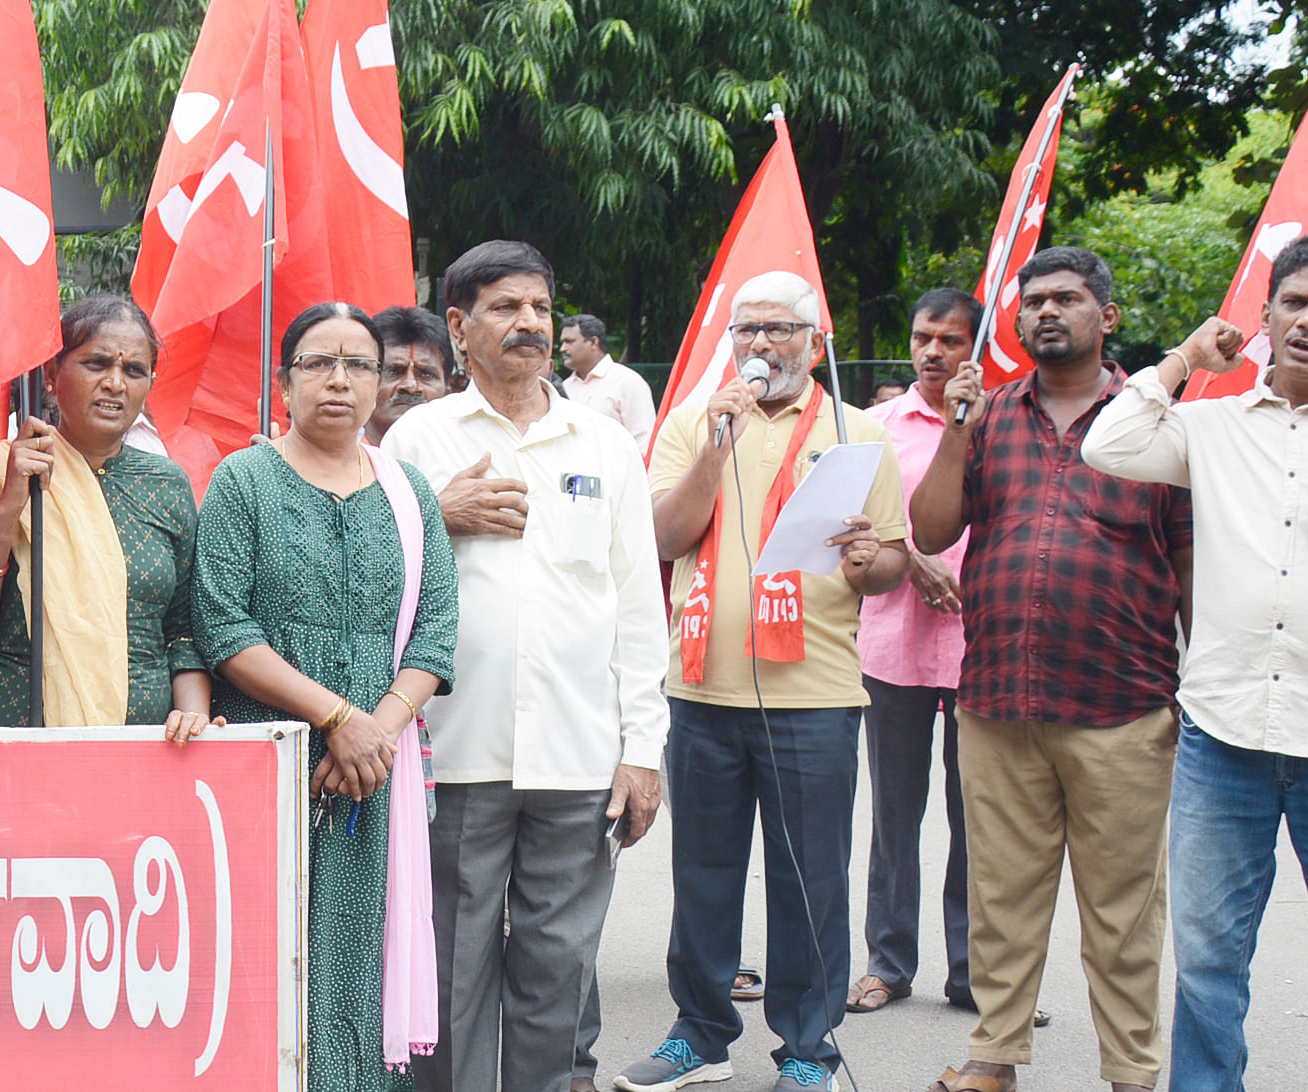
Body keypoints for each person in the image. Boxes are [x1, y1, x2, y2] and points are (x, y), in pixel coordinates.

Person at [1085, 235, 1308, 1091]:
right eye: (1294, 302)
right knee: (1208, 970)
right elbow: (1105, 447)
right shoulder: (1206, 426)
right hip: (1225, 740)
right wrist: (1186, 360)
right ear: (1263, 316)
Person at [380, 241, 667, 1092]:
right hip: (452, 752)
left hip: (580, 757)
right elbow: (362, 571)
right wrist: (438, 512)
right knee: (453, 973)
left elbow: (636, 610)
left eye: (541, 308)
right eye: (506, 308)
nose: (531, 324)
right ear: (460, 327)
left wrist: (642, 750)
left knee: (557, 972)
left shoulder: (604, 444)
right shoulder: (415, 440)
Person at [617, 270, 911, 1092]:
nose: (759, 346)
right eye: (746, 331)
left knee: (809, 878)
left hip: (813, 695)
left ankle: (810, 1050)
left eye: (778, 330)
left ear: (814, 343)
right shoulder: (693, 421)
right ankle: (700, 1034)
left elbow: (888, 558)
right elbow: (664, 536)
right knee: (702, 872)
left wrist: (869, 560)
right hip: (701, 689)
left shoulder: (856, 433)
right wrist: (717, 446)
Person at [908, 247, 1190, 1092]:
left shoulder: (1155, 425)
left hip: (1123, 707)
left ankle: (1132, 1072)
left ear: (1108, 319)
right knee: (1003, 899)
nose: (1046, 313)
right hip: (998, 701)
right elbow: (928, 531)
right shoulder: (988, 416)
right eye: (1033, 302)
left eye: (1067, 299)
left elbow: (1188, 557)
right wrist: (956, 431)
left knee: (1122, 915)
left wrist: (1201, 685)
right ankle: (993, 1059)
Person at [196, 302, 459, 1091]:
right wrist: (337, 719)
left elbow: (437, 635)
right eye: (318, 363)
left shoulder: (408, 492)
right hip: (270, 763)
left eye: (358, 364)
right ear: (285, 382)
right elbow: (225, 625)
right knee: (267, 952)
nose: (339, 380)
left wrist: (374, 733)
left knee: (361, 951)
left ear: (380, 383)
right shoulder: (244, 480)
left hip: (379, 772)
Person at [0, 295, 211, 731]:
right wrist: (10, 507)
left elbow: (184, 632)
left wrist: (194, 717)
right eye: (97, 364)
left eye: (134, 370)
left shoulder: (167, 484)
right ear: (52, 376)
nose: (116, 383)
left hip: (145, 744)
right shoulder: (1, 471)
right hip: (17, 737)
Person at [845, 289, 979, 1021]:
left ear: (973, 347)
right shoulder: (879, 427)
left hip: (978, 648)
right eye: (923, 338)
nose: (932, 352)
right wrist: (917, 561)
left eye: (950, 340)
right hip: (892, 646)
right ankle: (888, 964)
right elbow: (855, 519)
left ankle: (974, 975)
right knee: (895, 817)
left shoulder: (997, 421)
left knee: (979, 821)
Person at [557, 314, 656, 442]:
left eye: (569, 341)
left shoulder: (628, 382)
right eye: (562, 342)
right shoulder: (564, 388)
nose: (562, 349)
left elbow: (645, 440)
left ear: (593, 342)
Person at [366, 305, 456, 444]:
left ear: (448, 390)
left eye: (426, 375)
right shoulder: (330, 459)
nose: (411, 386)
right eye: (394, 372)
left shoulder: (465, 456)